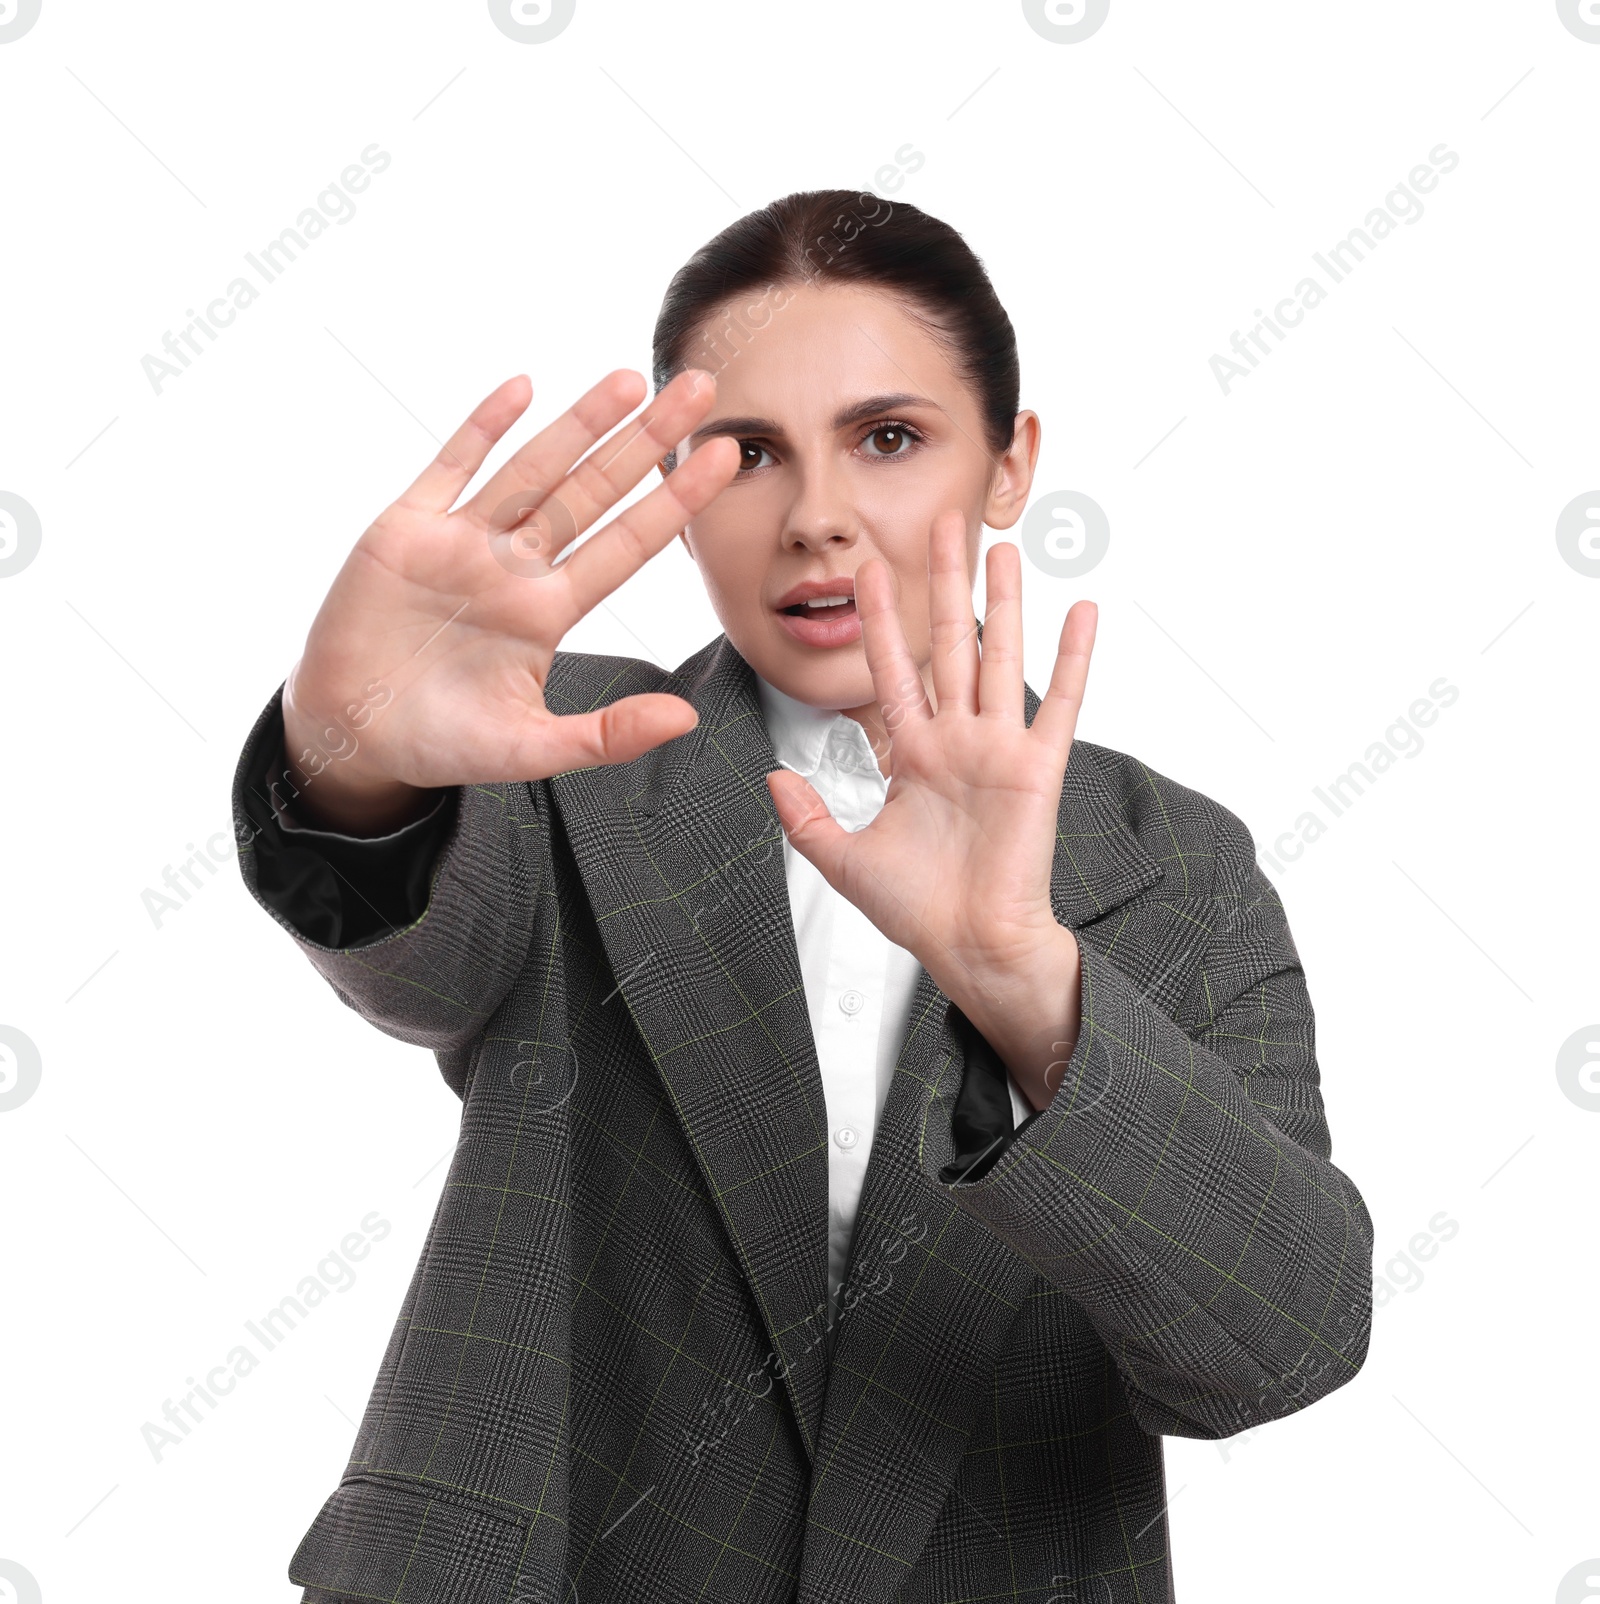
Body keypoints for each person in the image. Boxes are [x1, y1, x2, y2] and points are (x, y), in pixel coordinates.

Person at [230, 190, 1373, 1603]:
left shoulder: (1179, 869)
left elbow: (1280, 1342)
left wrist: (1025, 980)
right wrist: (346, 760)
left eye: (887, 439)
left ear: (1011, 464)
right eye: (746, 452)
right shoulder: (553, 752)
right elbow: (419, 955)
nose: (817, 519)